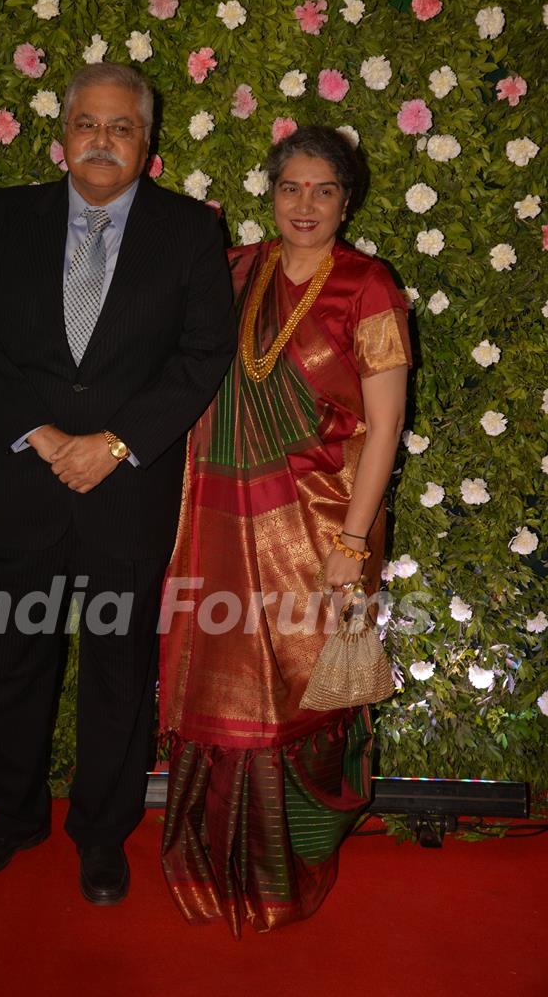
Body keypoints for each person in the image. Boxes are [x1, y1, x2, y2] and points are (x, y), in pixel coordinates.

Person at [0, 63, 236, 903]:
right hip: (23, 481)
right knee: (11, 659)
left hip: (127, 491)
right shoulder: (6, 217)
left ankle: (102, 835)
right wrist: (41, 434)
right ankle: (12, 817)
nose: (102, 140)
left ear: (149, 143)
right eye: (88, 124)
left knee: (117, 666)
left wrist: (113, 442)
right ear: (62, 133)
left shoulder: (187, 231)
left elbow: (202, 353)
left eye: (122, 127)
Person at [160, 125, 411, 936]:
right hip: (219, 525)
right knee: (216, 692)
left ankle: (283, 867)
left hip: (320, 531)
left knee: (301, 698)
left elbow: (383, 427)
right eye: (290, 188)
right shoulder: (233, 268)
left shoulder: (369, 288)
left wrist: (351, 544)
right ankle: (207, 862)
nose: (305, 205)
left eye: (324, 190)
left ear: (348, 198)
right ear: (271, 192)